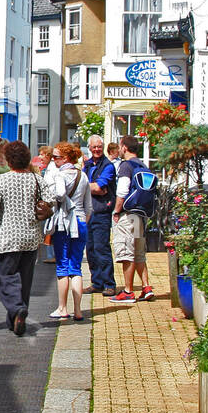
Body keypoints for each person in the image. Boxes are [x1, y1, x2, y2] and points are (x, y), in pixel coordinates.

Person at [0, 140, 47, 336]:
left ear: (9, 160)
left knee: (5, 276)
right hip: (31, 238)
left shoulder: (3, 180)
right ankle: (15, 319)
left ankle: (16, 308)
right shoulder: (37, 179)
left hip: (8, 238)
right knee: (26, 278)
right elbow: (51, 201)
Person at [49, 142, 92, 320]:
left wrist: (58, 197)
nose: (53, 160)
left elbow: (59, 194)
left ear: (65, 158)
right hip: (81, 222)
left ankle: (62, 308)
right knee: (76, 267)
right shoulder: (83, 176)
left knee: (62, 267)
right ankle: (79, 310)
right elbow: (89, 206)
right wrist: (82, 219)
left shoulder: (61, 175)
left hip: (64, 224)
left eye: (56, 157)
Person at [109, 136, 153, 303]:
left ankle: (127, 291)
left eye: (120, 146)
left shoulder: (126, 165)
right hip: (140, 215)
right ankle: (146, 287)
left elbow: (122, 190)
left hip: (127, 214)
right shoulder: (142, 165)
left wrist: (116, 211)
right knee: (139, 252)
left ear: (124, 147)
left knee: (127, 252)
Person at [83, 135, 117, 295]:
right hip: (88, 211)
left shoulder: (108, 166)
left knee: (101, 247)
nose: (96, 149)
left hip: (102, 211)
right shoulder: (88, 165)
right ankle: (96, 282)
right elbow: (91, 187)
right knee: (90, 248)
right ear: (89, 147)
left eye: (99, 146)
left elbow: (100, 187)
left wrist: (85, 186)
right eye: (94, 147)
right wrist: (91, 187)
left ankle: (109, 284)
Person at [33, 146, 58, 263]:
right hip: (50, 203)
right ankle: (52, 255)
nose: (40, 157)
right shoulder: (50, 167)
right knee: (49, 229)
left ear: (48, 155)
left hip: (53, 203)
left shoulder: (53, 168)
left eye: (42, 155)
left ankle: (53, 255)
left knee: (51, 229)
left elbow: (51, 186)